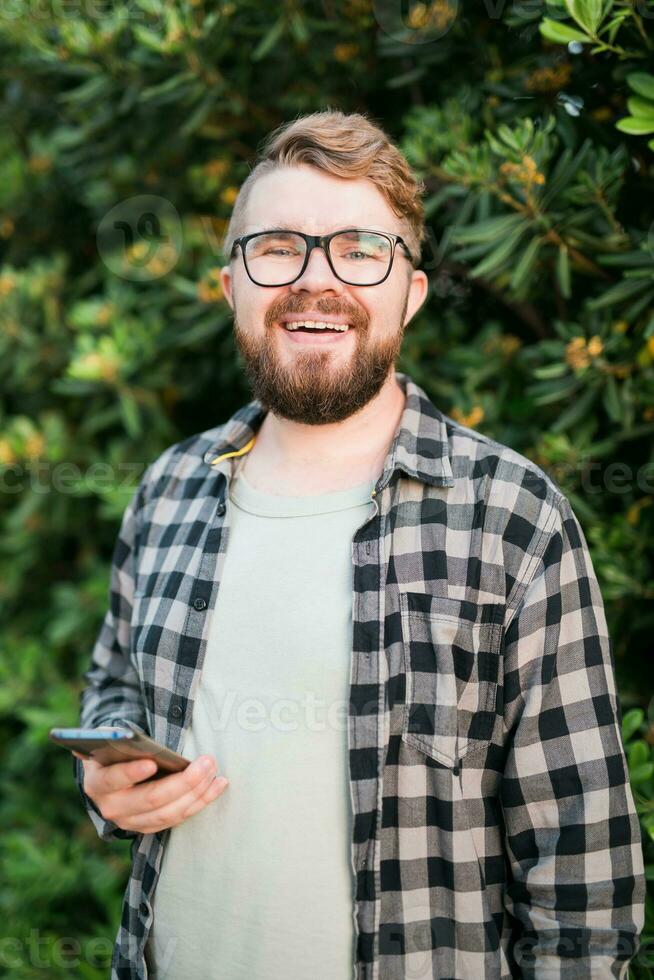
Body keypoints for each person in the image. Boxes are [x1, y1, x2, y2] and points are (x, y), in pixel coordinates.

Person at [74, 109, 646, 980]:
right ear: (230, 283)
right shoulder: (169, 487)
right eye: (277, 247)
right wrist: (109, 778)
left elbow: (584, 880)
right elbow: (114, 686)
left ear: (410, 293)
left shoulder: (513, 518)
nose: (316, 280)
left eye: (360, 249)